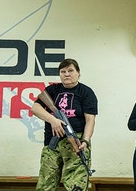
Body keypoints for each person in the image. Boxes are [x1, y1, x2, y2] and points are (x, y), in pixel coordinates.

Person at [32, 58, 98, 191]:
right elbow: (35, 108)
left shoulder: (86, 92)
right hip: (52, 141)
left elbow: (90, 120)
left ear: (78, 73)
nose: (66, 74)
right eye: (63, 71)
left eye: (70, 71)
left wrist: (85, 140)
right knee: (45, 184)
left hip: (76, 141)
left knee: (76, 184)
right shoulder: (52, 90)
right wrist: (53, 120)